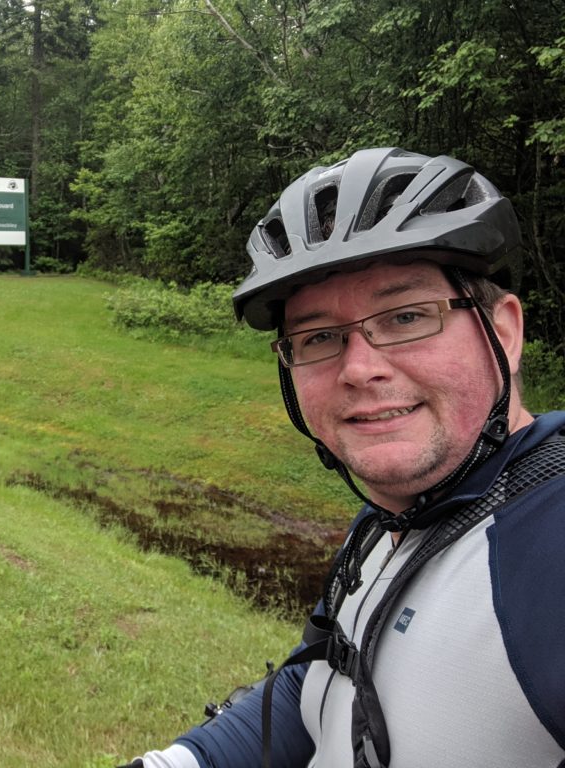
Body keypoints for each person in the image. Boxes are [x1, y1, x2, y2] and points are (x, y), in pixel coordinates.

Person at [119, 148, 565, 768]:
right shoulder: (393, 519)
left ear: (506, 333)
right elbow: (328, 682)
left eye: (407, 316)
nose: (359, 368)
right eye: (319, 337)